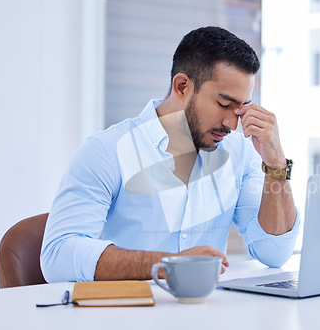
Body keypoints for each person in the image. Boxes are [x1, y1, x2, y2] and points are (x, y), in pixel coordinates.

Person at [41, 26, 300, 282]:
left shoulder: (241, 152)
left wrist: (276, 165)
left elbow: (274, 252)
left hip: (205, 315)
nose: (233, 124)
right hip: (122, 318)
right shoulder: (105, 151)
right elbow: (58, 256)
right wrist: (167, 266)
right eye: (224, 104)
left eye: (241, 108)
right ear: (182, 86)